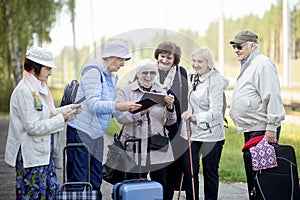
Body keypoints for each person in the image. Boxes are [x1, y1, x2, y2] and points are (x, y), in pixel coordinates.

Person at [65, 40, 141, 199]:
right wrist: (120, 106)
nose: (122, 64)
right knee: (79, 178)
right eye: (121, 60)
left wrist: (133, 113)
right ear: (111, 57)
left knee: (95, 177)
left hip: (96, 134)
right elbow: (94, 105)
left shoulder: (112, 77)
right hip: (80, 131)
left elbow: (110, 109)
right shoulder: (93, 72)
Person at [4, 47, 82, 199]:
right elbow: (33, 126)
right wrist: (62, 118)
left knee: (51, 193)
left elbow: (48, 113)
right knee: (33, 195)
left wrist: (70, 110)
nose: (50, 73)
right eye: (47, 68)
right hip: (31, 158)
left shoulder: (37, 87)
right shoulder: (25, 91)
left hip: (43, 155)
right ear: (34, 67)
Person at [116, 58, 176, 200]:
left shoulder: (162, 92)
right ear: (138, 74)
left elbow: (170, 121)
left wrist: (170, 108)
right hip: (134, 146)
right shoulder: (126, 91)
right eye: (144, 73)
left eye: (152, 73)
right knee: (136, 187)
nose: (148, 76)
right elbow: (119, 117)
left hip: (158, 146)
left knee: (160, 184)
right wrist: (140, 112)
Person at [181, 47, 229, 200]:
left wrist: (195, 116)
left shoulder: (215, 81)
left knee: (210, 173)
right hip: (190, 133)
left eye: (200, 61)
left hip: (211, 135)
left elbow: (216, 111)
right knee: (190, 172)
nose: (195, 64)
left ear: (209, 64)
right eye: (194, 61)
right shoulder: (191, 76)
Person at [228, 30, 285, 144]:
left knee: (261, 162)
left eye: (239, 46)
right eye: (234, 47)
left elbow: (272, 96)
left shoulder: (263, 64)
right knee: (251, 162)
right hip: (253, 129)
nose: (236, 50)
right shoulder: (249, 64)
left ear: (252, 46)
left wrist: (272, 127)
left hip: (262, 130)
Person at [153, 41, 189, 200]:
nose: (165, 60)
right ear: (157, 56)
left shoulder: (181, 72)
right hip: (154, 128)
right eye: (162, 56)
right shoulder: (149, 71)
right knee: (158, 168)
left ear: (175, 59)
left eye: (169, 57)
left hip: (175, 127)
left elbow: (187, 98)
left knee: (174, 168)